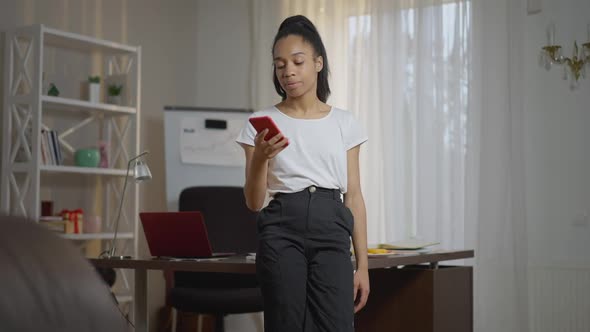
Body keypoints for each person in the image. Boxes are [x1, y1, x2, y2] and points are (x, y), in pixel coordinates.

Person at [236, 15, 369, 332]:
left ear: (318, 63)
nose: (288, 72)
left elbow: (354, 195)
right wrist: (261, 159)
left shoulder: (345, 122)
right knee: (285, 324)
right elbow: (255, 203)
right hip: (282, 228)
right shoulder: (260, 122)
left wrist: (363, 266)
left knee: (336, 325)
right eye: (280, 64)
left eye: (297, 61)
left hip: (332, 227)